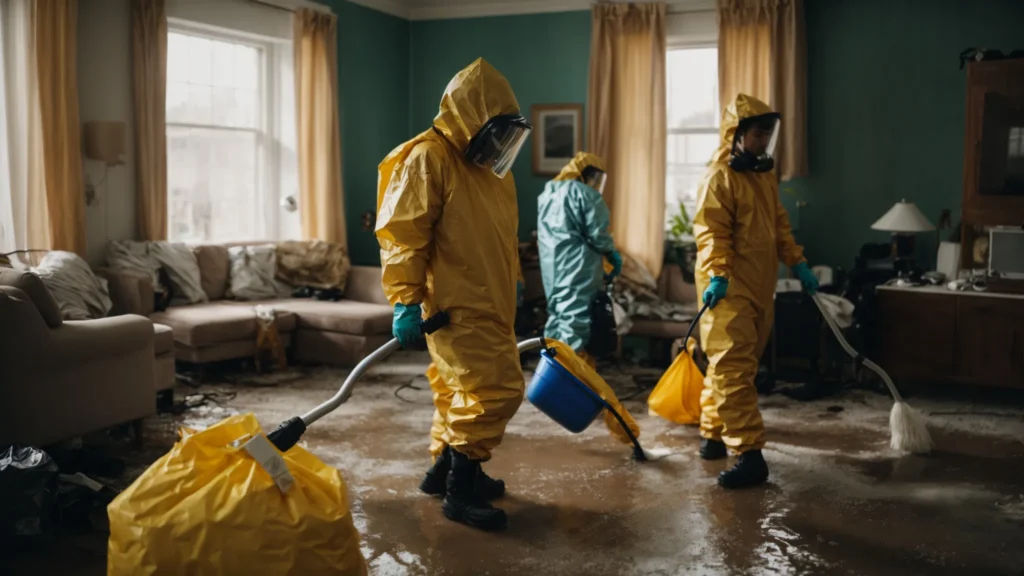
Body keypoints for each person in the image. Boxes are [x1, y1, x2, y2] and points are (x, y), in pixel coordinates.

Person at [375, 58, 531, 531]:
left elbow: (500, 236)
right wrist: (403, 299)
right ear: (470, 118)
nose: (498, 145)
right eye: (493, 132)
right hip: (455, 307)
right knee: (495, 390)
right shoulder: (429, 158)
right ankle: (460, 494)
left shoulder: (491, 172)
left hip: (491, 299)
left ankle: (445, 471)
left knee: (459, 390)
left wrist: (516, 282)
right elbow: (404, 234)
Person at [693, 93, 818, 489]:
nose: (764, 142)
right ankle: (749, 454)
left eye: (768, 135)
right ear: (737, 134)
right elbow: (711, 232)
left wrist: (797, 261)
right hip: (726, 286)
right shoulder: (720, 178)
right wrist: (717, 273)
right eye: (758, 135)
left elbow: (779, 225)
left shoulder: (762, 176)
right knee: (732, 366)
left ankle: (712, 431)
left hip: (759, 285)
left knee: (735, 366)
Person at [536, 152, 622, 369]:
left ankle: (552, 372)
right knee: (577, 321)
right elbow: (598, 234)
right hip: (578, 267)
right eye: (595, 177)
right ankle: (575, 379)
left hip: (553, 267)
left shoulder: (548, 193)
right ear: (585, 174)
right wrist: (611, 253)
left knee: (557, 316)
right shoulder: (585, 194)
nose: (595, 183)